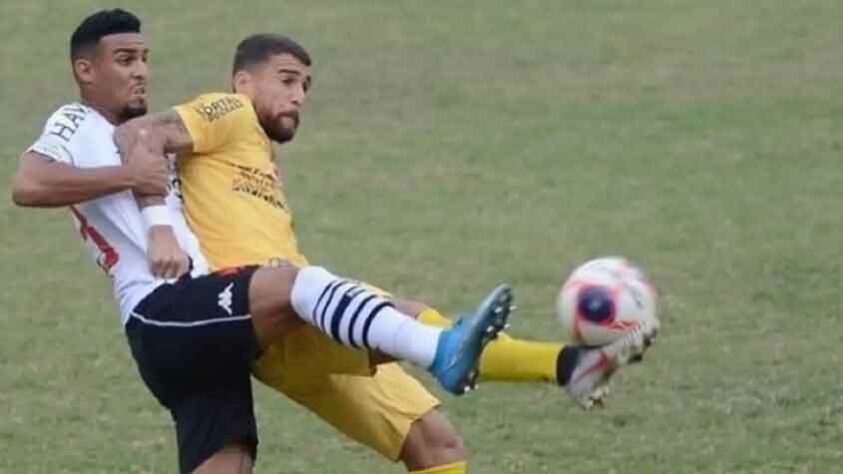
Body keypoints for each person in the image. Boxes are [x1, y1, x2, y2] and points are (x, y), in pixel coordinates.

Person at [115, 33, 657, 474]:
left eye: (305, 85)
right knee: (429, 329)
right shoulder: (227, 109)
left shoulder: (256, 156)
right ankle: (568, 364)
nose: (299, 95)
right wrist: (157, 225)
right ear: (242, 81)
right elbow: (143, 134)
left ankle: (570, 366)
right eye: (286, 80)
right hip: (273, 309)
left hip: (307, 319)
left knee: (436, 444)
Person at [11, 10, 519, 474]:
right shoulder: (76, 121)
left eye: (144, 58)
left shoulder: (144, 137)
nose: (141, 70)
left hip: (204, 327)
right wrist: (128, 180)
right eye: (124, 60)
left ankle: (462, 346)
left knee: (229, 463)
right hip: (163, 308)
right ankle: (439, 347)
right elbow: (29, 184)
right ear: (85, 70)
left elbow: (152, 170)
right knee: (297, 285)